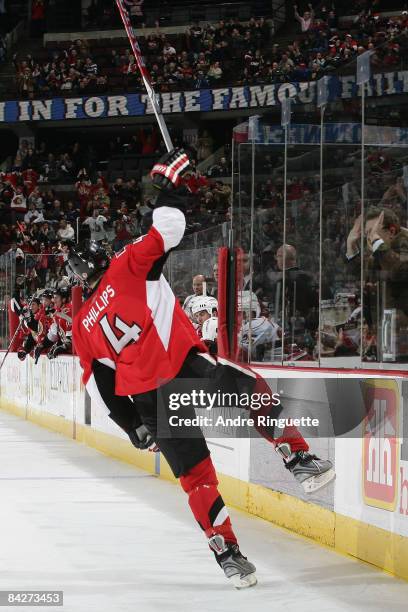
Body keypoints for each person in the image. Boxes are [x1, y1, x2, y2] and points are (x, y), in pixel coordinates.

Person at [69, 149, 334, 589]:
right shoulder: (126, 264)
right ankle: (298, 456)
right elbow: (170, 227)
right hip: (181, 367)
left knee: (195, 478)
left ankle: (228, 554)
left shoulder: (81, 324)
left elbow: (103, 381)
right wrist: (165, 186)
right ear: (103, 258)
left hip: (148, 399)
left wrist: (134, 426)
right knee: (252, 387)